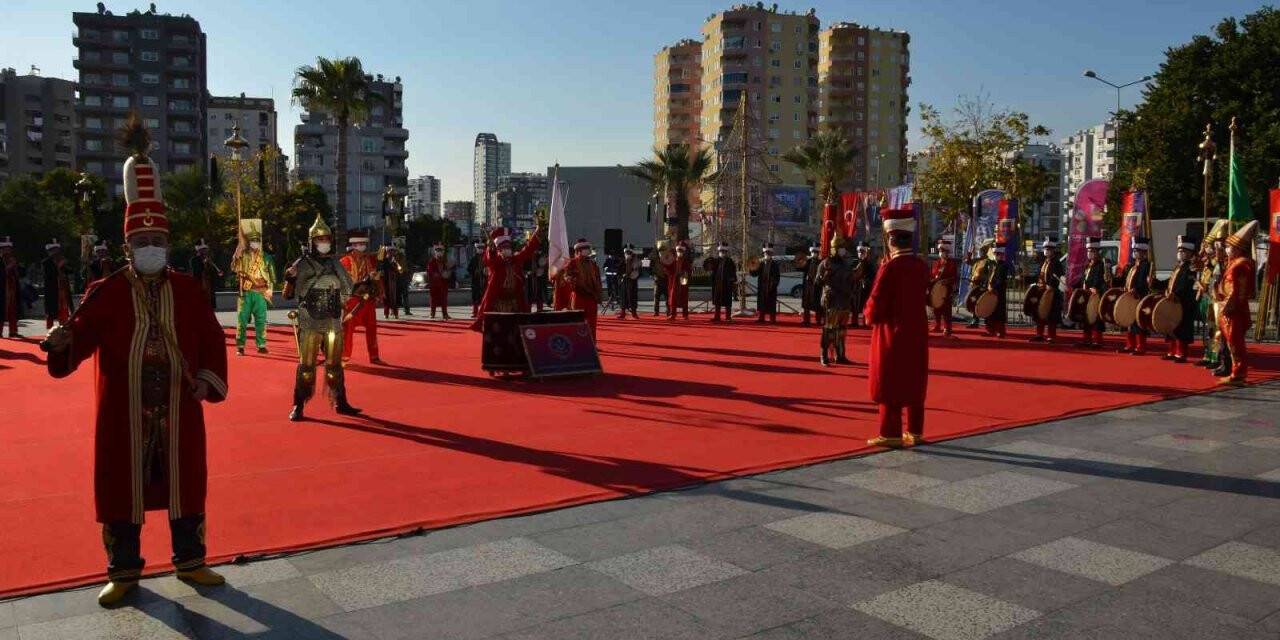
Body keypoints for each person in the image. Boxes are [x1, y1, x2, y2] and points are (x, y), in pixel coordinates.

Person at [43, 129, 228, 606]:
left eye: (157, 240)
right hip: (123, 413)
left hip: (178, 407)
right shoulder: (104, 293)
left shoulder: (187, 290)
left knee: (186, 483)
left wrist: (206, 381)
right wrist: (61, 344)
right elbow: (77, 342)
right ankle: (123, 571)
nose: (151, 246)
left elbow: (212, 338)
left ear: (168, 243)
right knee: (120, 488)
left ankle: (191, 560)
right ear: (127, 246)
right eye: (142, 240)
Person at [285, 214, 360, 421]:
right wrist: (290, 278)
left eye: (326, 239)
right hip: (310, 320)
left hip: (333, 320)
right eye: (320, 239)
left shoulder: (336, 262)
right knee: (307, 367)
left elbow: (348, 288)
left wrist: (359, 290)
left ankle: (340, 401)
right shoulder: (302, 264)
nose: (324, 242)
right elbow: (287, 294)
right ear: (312, 241)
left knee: (335, 366)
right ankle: (298, 405)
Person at [865, 209, 930, 448]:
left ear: (891, 239)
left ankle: (890, 433)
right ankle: (915, 430)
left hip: (891, 332)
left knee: (889, 380)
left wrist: (868, 315)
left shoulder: (890, 267)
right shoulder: (921, 265)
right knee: (914, 379)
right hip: (917, 330)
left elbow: (876, 300)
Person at [470, 223, 544, 330]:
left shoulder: (515, 259)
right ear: (499, 250)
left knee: (515, 329)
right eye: (504, 248)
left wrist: (537, 232)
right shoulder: (496, 263)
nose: (507, 249)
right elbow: (489, 259)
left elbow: (528, 250)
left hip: (514, 302)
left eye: (509, 247)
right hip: (497, 303)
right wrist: (491, 249)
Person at [1216, 221, 1257, 384]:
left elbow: (1236, 291)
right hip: (1230, 307)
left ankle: (1238, 374)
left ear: (1238, 248)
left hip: (1233, 310)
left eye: (1229, 247)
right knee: (1232, 342)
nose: (1226, 250)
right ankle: (1236, 372)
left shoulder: (1241, 265)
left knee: (1235, 342)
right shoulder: (1234, 263)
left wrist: (1227, 307)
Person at [230, 224, 274, 355]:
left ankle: (261, 344)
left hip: (261, 292)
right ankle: (240, 346)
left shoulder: (266, 257)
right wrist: (236, 255)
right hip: (246, 292)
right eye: (253, 240)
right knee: (242, 320)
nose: (255, 243)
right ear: (249, 242)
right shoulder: (243, 255)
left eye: (257, 240)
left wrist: (270, 289)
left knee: (261, 320)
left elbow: (271, 277)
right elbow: (234, 268)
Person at [340, 230, 383, 364]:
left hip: (368, 300)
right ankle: (345, 355)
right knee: (347, 329)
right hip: (352, 300)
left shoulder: (369, 260)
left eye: (364, 244)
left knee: (372, 327)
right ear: (354, 245)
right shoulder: (344, 261)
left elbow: (377, 278)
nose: (363, 246)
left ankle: (374, 356)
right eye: (360, 244)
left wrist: (378, 290)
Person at [817, 235, 855, 365]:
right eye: (841, 248)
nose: (843, 250)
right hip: (832, 300)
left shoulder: (846, 264)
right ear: (835, 249)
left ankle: (840, 355)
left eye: (844, 248)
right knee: (829, 329)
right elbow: (817, 282)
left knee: (842, 330)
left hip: (844, 300)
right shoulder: (825, 263)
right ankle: (824, 355)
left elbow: (850, 280)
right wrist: (824, 277)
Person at [1164, 235, 1199, 363]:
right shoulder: (1178, 267)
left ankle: (1181, 353)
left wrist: (1176, 293)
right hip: (1173, 300)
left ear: (1190, 252)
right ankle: (1172, 351)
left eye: (1183, 250)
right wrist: (1159, 285)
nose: (1180, 253)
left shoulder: (1191, 268)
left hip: (1184, 302)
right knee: (1172, 327)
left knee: (1182, 328)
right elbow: (1171, 282)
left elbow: (1187, 286)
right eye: (1179, 250)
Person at [1118, 237, 1152, 355]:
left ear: (1143, 252)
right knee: (1129, 321)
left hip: (1139, 297)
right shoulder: (1132, 266)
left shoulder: (1146, 265)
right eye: (1134, 250)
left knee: (1138, 322)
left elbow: (1144, 282)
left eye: (1137, 250)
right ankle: (1130, 344)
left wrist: (1136, 289)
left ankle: (1140, 346)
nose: (1134, 253)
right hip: (1129, 297)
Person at [564, 238, 603, 339]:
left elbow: (598, 280)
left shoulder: (593, 264)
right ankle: (578, 343)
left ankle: (592, 343)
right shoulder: (572, 263)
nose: (589, 250)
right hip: (579, 296)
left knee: (592, 322)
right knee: (578, 321)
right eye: (586, 248)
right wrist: (574, 281)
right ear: (579, 250)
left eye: (588, 248)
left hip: (592, 297)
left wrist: (598, 294)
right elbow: (567, 277)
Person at [1075, 237, 1110, 349]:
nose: (1089, 253)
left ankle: (1097, 341)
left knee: (1096, 319)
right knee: (1086, 318)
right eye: (1088, 250)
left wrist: (1098, 290)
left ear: (1097, 251)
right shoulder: (1087, 265)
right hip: (1086, 295)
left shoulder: (1101, 265)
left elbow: (1105, 282)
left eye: (1091, 251)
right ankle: (1087, 339)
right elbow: (1084, 280)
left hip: (1096, 296)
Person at [1029, 238, 1064, 343]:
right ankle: (1039, 334)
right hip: (1041, 291)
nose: (1046, 251)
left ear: (1053, 250)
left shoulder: (1056, 263)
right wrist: (1027, 278)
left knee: (1051, 316)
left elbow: (1056, 276)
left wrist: (1050, 285)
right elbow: (1039, 275)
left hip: (1051, 292)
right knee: (1039, 313)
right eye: (1045, 249)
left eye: (1049, 249)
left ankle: (1051, 336)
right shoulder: (1043, 262)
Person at [42, 239, 74, 329]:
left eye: (57, 249)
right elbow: (49, 274)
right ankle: (50, 330)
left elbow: (70, 271)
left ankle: (64, 327)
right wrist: (59, 265)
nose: (56, 252)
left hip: (63, 289)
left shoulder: (62, 260)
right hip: (52, 290)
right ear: (49, 251)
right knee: (51, 311)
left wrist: (65, 265)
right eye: (53, 250)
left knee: (64, 309)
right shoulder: (46, 262)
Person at [928, 238, 957, 336]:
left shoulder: (951, 263)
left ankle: (947, 328)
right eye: (940, 251)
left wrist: (946, 281)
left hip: (946, 289)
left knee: (946, 310)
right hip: (936, 289)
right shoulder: (936, 263)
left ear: (947, 252)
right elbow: (932, 275)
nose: (941, 253)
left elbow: (954, 277)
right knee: (936, 308)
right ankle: (937, 325)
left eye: (943, 251)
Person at [964, 240, 995, 328]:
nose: (981, 251)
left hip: (982, 285)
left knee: (984, 303)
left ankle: (988, 323)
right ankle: (975, 321)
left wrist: (985, 283)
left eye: (983, 250)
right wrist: (969, 254)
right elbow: (967, 262)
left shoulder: (989, 261)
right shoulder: (978, 260)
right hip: (974, 285)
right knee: (974, 302)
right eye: (981, 250)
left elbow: (990, 274)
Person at [705, 242, 737, 322]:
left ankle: (728, 317)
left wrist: (733, 280)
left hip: (727, 284)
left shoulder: (730, 261)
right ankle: (717, 317)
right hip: (717, 283)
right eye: (721, 251)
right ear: (719, 251)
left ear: (726, 252)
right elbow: (708, 268)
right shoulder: (715, 261)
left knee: (727, 301)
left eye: (724, 251)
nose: (722, 252)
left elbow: (733, 271)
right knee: (717, 301)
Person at [751, 243, 781, 324]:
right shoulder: (760, 263)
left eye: (769, 253)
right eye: (766, 253)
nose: (767, 254)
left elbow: (777, 276)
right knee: (761, 302)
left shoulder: (775, 264)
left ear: (771, 253)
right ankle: (761, 318)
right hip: (762, 286)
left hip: (771, 286)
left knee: (771, 303)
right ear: (763, 253)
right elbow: (754, 274)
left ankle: (772, 319)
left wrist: (774, 284)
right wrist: (752, 268)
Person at [984, 246, 1009, 338]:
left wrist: (993, 287)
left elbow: (1000, 280)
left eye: (998, 254)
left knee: (999, 312)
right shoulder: (995, 265)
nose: (996, 255)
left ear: (1001, 255)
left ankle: (1000, 331)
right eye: (995, 254)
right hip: (992, 291)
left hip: (999, 292)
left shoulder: (1003, 266)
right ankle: (991, 330)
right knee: (991, 311)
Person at [850, 242, 877, 328]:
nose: (860, 253)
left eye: (862, 251)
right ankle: (854, 321)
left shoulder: (870, 264)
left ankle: (865, 322)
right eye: (859, 251)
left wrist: (866, 281)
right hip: (856, 286)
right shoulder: (854, 262)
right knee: (854, 304)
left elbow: (874, 276)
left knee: (865, 304)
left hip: (866, 287)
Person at [189, 239, 221, 310]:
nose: (205, 251)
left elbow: (212, 272)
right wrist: (204, 264)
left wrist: (216, 270)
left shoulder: (209, 259)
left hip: (209, 284)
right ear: (199, 250)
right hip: (199, 283)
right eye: (203, 249)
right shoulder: (194, 260)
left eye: (205, 249)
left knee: (210, 303)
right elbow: (196, 272)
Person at [664, 240, 692, 320]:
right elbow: (668, 269)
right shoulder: (673, 260)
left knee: (684, 296)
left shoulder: (686, 261)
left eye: (681, 250)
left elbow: (689, 270)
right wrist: (665, 266)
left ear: (684, 251)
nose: (680, 252)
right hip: (674, 280)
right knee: (673, 297)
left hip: (683, 279)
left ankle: (685, 314)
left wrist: (685, 273)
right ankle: (673, 314)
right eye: (679, 250)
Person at [379, 240, 406, 320]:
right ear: (387, 252)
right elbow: (381, 271)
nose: (391, 253)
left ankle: (395, 313)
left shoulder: (395, 261)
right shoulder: (383, 260)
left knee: (396, 298)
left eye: (393, 251)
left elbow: (400, 270)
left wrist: (396, 264)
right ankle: (386, 313)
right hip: (386, 281)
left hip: (395, 281)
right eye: (390, 251)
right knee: (386, 298)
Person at [426, 242, 451, 320]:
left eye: (441, 251)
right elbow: (429, 271)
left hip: (443, 283)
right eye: (438, 250)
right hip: (434, 284)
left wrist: (447, 274)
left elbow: (448, 270)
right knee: (433, 299)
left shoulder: (445, 261)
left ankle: (445, 314)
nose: (439, 252)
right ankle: (432, 313)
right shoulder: (431, 261)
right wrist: (435, 274)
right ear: (435, 252)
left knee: (444, 299)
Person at [1, 237, 20, 338]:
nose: (8, 251)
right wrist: (9, 266)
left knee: (13, 310)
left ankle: (13, 331)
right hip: (2, 288)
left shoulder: (12, 259)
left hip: (12, 288)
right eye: (6, 248)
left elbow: (19, 274)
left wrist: (15, 266)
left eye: (9, 249)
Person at [799, 245, 823, 327]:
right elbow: (800, 267)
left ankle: (818, 320)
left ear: (818, 253)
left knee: (817, 303)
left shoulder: (820, 262)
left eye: (815, 252)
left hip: (816, 285)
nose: (814, 253)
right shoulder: (807, 261)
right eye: (813, 252)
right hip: (807, 284)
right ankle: (806, 320)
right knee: (806, 302)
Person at [617, 244, 641, 319]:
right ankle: (623, 313)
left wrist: (634, 274)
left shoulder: (636, 259)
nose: (627, 253)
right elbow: (618, 270)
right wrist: (621, 276)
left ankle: (634, 313)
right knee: (623, 297)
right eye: (626, 252)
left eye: (629, 252)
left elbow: (639, 270)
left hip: (632, 281)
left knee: (632, 296)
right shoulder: (621, 259)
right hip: (624, 281)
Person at [467, 240, 487, 317]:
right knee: (475, 297)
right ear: (476, 248)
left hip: (485, 280)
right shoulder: (473, 258)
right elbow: (469, 269)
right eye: (479, 248)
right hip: (475, 281)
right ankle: (475, 312)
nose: (480, 249)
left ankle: (484, 312)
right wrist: (474, 271)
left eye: (482, 248)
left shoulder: (487, 257)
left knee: (484, 297)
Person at [653, 244, 670, 317]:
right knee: (656, 297)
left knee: (667, 297)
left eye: (663, 251)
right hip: (658, 280)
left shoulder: (668, 259)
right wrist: (654, 276)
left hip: (666, 280)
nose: (661, 252)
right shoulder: (655, 260)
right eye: (660, 251)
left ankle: (668, 311)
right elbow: (651, 269)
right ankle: (656, 311)